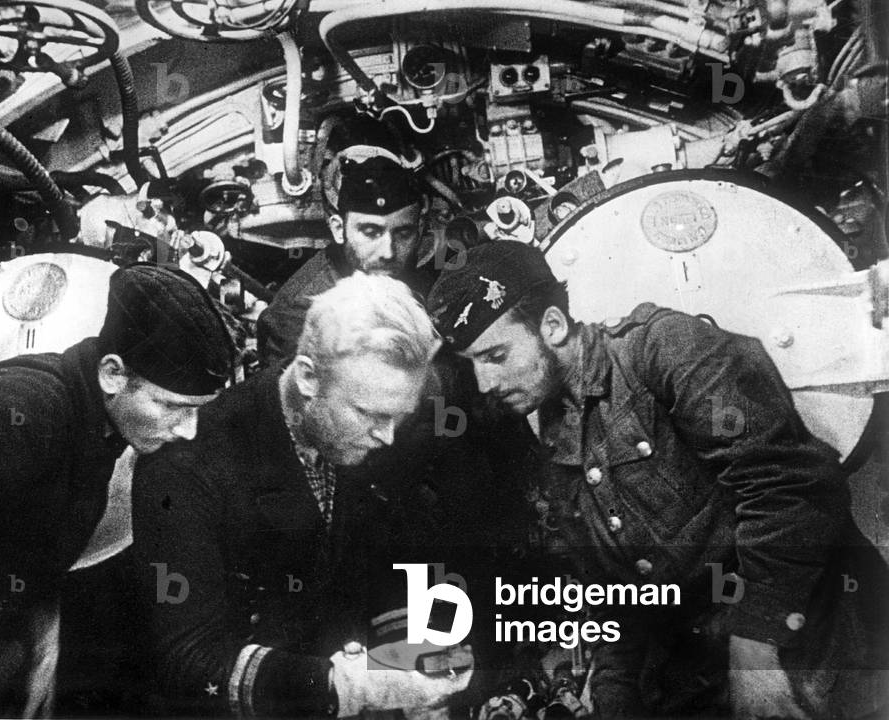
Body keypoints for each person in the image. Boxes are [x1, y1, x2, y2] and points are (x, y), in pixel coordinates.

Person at [426, 241, 889, 719]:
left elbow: (792, 490)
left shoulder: (666, 350)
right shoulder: (553, 427)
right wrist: (614, 696)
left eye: (496, 355)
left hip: (812, 627)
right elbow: (612, 595)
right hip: (706, 655)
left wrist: (754, 647)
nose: (484, 383)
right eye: (473, 363)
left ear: (552, 326)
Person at [0, 263, 235, 717]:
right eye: (172, 407)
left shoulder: (99, 426)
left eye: (198, 411)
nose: (189, 431)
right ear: (113, 373)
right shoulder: (22, 410)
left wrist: (45, 647)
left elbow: (33, 543)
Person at [129, 273, 474, 718]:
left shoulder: (370, 416)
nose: (387, 437)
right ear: (308, 377)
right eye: (371, 414)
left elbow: (382, 555)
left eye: (399, 416)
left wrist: (420, 652)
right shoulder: (186, 467)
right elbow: (188, 660)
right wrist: (351, 686)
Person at [255, 150, 427, 367]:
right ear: (338, 229)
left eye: (404, 234)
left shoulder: (411, 270)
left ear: (419, 229)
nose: (388, 252)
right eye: (371, 232)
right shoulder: (299, 314)